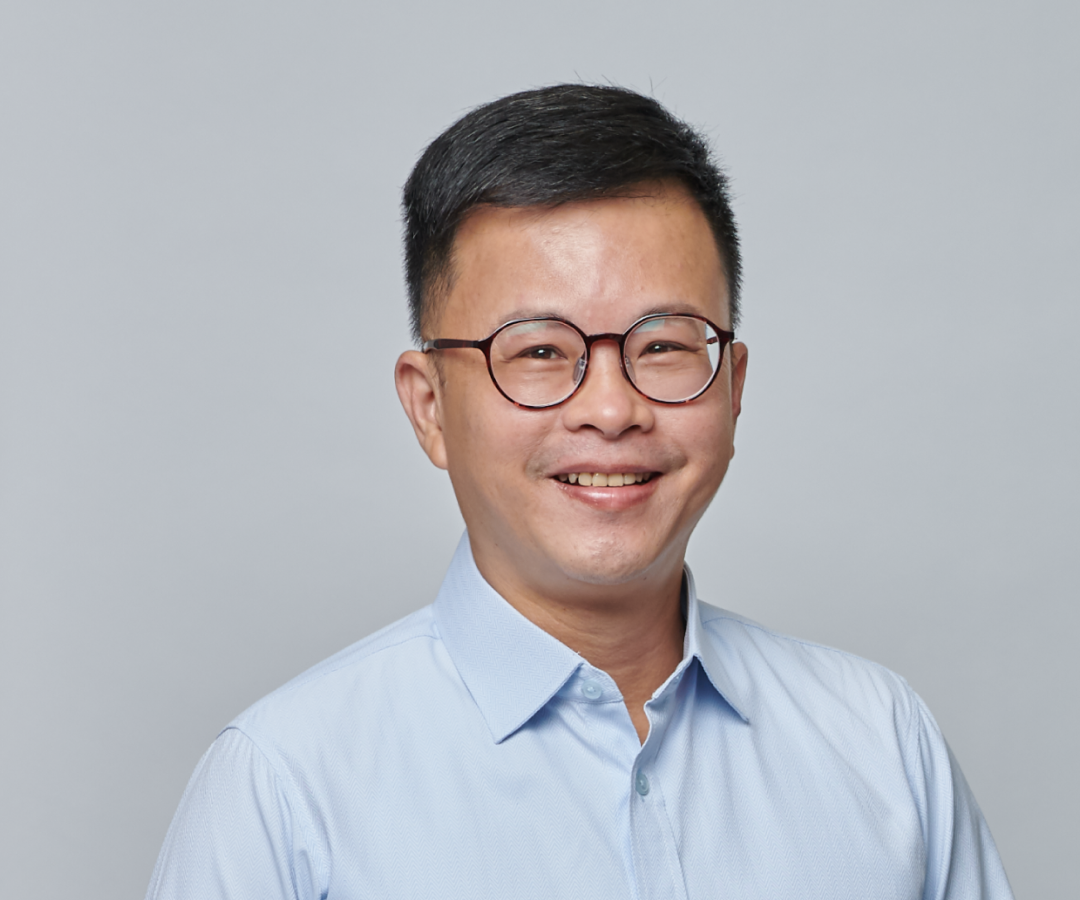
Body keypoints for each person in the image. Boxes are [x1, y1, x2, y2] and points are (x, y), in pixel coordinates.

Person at [146, 84, 1014, 899]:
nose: (611, 408)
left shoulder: (883, 744)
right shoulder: (285, 788)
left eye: (666, 345)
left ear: (734, 386)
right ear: (429, 408)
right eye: (538, 351)